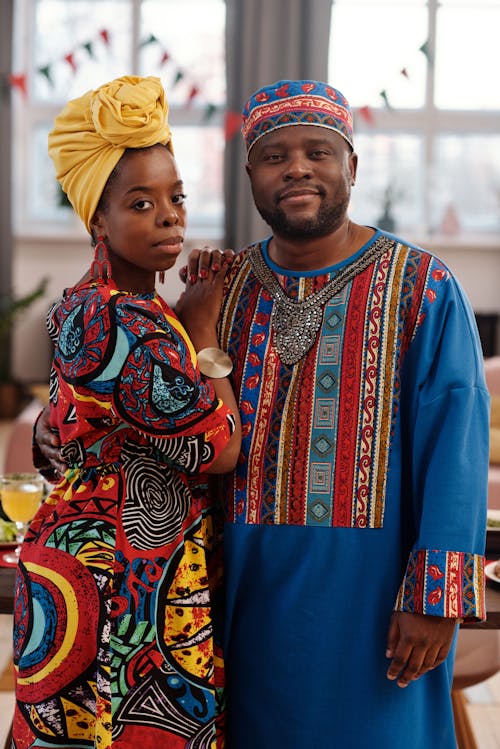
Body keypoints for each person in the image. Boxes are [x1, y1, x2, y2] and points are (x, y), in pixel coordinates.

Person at [36, 79, 490, 748]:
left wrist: (436, 598)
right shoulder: (220, 289)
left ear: (352, 168)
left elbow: (456, 447)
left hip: (372, 602)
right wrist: (62, 427)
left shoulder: (421, 286)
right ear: (250, 175)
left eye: (318, 152)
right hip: (234, 598)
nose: (297, 168)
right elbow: (148, 407)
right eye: (275, 156)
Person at [13, 75, 240, 749]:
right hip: (123, 579)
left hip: (104, 562)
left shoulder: (109, 304)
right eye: (141, 203)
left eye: (177, 197)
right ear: (97, 220)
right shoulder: (120, 320)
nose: (169, 215)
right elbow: (219, 445)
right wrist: (205, 335)